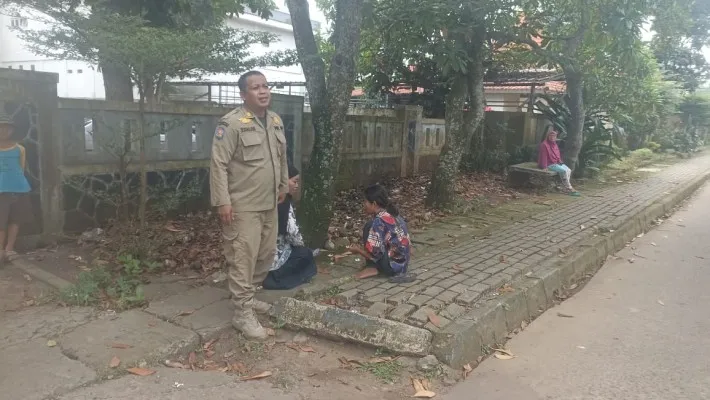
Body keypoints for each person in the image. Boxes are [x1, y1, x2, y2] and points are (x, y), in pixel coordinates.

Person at [210, 71, 289, 340]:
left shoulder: (275, 121)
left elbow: (281, 158)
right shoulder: (231, 124)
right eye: (256, 87)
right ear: (244, 94)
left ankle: (249, 296)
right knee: (243, 257)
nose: (263, 91)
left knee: (265, 255)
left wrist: (284, 186)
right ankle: (241, 313)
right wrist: (222, 201)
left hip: (269, 202)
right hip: (242, 205)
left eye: (266, 86)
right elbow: (218, 164)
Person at [262, 162, 317, 290]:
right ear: (283, 182)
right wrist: (302, 247)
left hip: (259, 258)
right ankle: (277, 279)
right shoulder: (285, 203)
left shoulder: (266, 200)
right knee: (305, 254)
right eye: (294, 181)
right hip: (273, 259)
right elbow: (294, 235)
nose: (296, 186)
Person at [348, 184, 414, 284]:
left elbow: (375, 256)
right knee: (370, 226)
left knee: (368, 227)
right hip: (403, 264)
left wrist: (357, 250)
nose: (364, 204)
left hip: (392, 268)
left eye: (365, 201)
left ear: (374, 204)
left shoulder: (379, 222)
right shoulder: (394, 214)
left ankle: (372, 267)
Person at [0, 110, 32, 264]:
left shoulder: (20, 149)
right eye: (1, 127)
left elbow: (21, 168)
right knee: (1, 222)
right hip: (1, 191)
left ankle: (9, 249)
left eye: (7, 127)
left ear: (12, 130)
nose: (4, 130)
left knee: (15, 220)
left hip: (19, 189)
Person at [538, 130, 580, 196]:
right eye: (550, 136)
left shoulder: (554, 144)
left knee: (568, 170)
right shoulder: (544, 144)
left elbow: (557, 154)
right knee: (563, 171)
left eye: (554, 136)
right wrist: (544, 166)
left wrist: (560, 161)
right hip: (549, 164)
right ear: (548, 136)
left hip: (556, 162)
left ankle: (565, 187)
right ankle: (569, 188)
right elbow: (543, 156)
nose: (552, 137)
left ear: (555, 137)